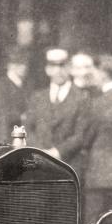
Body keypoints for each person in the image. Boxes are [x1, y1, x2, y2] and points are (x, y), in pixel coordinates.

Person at [26, 47, 90, 176]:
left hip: (68, 166)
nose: (58, 71)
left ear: (69, 68)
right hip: (39, 166)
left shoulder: (82, 97)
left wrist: (57, 152)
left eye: (63, 66)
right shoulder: (37, 97)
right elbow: (28, 128)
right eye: (53, 66)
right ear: (47, 69)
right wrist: (41, 153)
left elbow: (81, 135)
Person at [82, 53, 112, 223]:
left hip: (97, 178)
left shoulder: (96, 104)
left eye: (93, 71)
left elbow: (85, 139)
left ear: (103, 73)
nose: (90, 75)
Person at [0, 46, 31, 138]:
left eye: (25, 63)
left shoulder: (27, 85)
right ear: (10, 65)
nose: (24, 67)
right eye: (19, 63)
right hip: (7, 136)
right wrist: (22, 116)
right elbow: (0, 115)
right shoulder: (0, 86)